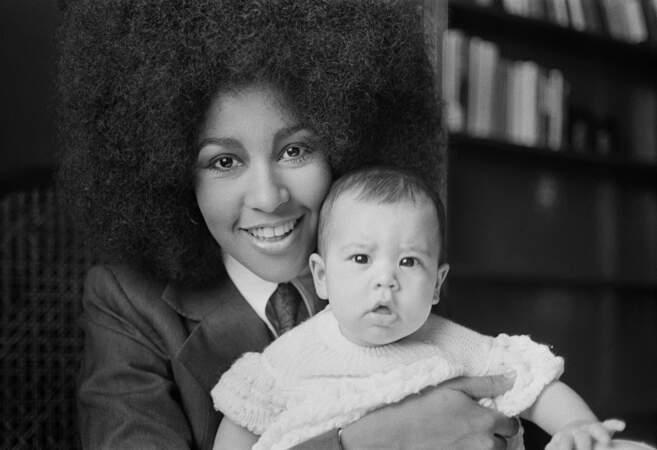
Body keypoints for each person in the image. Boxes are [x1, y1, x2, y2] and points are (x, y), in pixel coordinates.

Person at [58, 0, 522, 448]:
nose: (268, 197)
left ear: (347, 141)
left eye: (295, 150)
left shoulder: (398, 267)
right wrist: (368, 442)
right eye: (223, 161)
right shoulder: (127, 304)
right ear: (171, 173)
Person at [210, 167, 626, 450]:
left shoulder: (456, 346)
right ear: (321, 276)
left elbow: (534, 385)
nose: (386, 279)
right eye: (360, 259)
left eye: (408, 262)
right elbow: (241, 420)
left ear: (436, 285)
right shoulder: (288, 358)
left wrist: (575, 425)